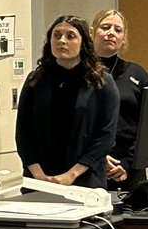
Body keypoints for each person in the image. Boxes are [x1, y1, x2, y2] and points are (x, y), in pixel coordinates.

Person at [15, 15, 118, 189]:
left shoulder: (102, 82)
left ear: (83, 43)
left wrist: (71, 175)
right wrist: (38, 174)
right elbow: (23, 133)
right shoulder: (36, 80)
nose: (62, 41)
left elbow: (105, 137)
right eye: (57, 35)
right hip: (39, 179)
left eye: (70, 36)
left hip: (84, 180)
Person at [91, 9, 148, 190]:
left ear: (124, 38)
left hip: (131, 167)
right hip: (88, 167)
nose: (111, 33)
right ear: (92, 32)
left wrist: (128, 164)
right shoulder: (78, 73)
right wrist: (96, 157)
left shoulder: (137, 74)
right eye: (105, 27)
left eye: (118, 30)